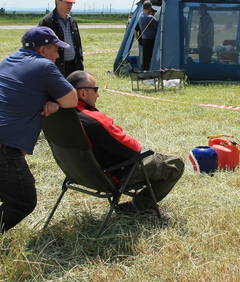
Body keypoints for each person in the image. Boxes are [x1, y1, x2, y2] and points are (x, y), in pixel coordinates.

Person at [0, 27, 78, 251]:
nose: (58, 56)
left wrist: (47, 99)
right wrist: (54, 102)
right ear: (43, 49)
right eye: (56, 50)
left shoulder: (9, 59)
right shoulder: (44, 66)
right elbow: (72, 99)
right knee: (23, 202)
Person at [66, 70, 184, 217]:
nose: (98, 95)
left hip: (79, 174)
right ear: (83, 93)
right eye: (95, 90)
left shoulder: (63, 115)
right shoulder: (94, 121)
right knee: (174, 164)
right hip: (111, 176)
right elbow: (134, 149)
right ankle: (141, 206)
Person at [39, 0, 84, 76]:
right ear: (58, 2)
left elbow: (78, 45)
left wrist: (80, 61)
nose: (70, 5)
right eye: (67, 2)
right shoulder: (47, 22)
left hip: (74, 66)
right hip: (56, 67)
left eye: (72, 3)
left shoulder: (72, 21)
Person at [136, 0, 159, 71]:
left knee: (145, 56)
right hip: (150, 39)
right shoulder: (149, 18)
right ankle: (148, 70)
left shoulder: (141, 15)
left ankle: (145, 69)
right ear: (150, 7)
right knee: (150, 56)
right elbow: (158, 25)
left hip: (144, 38)